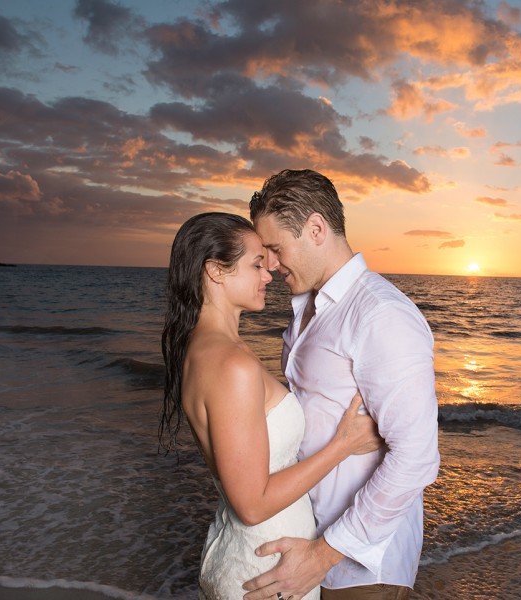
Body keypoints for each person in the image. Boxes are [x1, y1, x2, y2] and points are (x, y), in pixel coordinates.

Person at [159, 212, 383, 600]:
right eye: (256, 264)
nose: (268, 274)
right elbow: (253, 504)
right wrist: (341, 446)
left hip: (256, 559)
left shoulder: (203, 350)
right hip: (263, 570)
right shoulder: (231, 365)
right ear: (215, 271)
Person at [243, 169, 440, 600]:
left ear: (316, 229)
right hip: (311, 543)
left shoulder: (380, 315)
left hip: (362, 569)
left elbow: (417, 458)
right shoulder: (308, 309)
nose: (271, 265)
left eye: (276, 248)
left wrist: (324, 554)